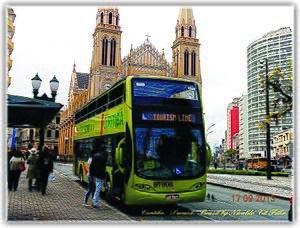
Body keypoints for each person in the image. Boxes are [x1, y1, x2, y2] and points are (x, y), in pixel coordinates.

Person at [89, 143, 107, 209]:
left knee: (96, 189)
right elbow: (103, 168)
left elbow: (91, 166)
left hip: (94, 175)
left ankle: (94, 202)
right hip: (99, 175)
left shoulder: (95, 156)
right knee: (98, 189)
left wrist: (91, 175)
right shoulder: (104, 157)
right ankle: (95, 203)